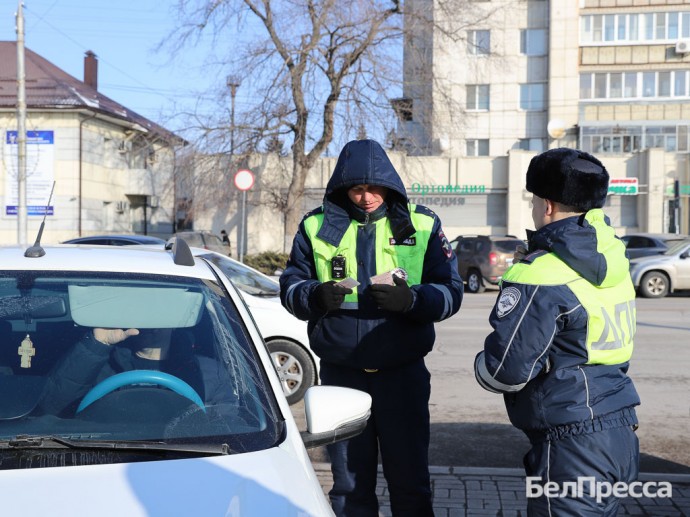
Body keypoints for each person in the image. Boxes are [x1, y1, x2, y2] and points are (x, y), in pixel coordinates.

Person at [280, 139, 463, 516]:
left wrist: (411, 301)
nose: (366, 198)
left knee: (410, 484)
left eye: (374, 188)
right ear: (342, 188)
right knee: (348, 488)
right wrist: (315, 296)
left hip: (403, 376)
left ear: (390, 184)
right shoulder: (315, 225)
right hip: (341, 377)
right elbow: (290, 287)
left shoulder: (422, 223)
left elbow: (451, 293)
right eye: (357, 188)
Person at [474, 148, 640, 516]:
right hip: (618, 425)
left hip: (571, 443)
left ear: (546, 205)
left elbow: (506, 370)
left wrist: (480, 367)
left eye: (534, 201)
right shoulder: (614, 257)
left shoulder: (540, 272)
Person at [39, 326, 232, 416]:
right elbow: (52, 408)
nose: (148, 323)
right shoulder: (100, 365)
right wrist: (98, 344)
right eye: (141, 313)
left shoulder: (209, 372)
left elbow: (227, 425)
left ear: (177, 318)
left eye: (158, 312)